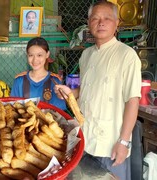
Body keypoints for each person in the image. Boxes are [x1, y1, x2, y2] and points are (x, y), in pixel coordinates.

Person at [55, 1, 141, 180]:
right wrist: (70, 93)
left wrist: (124, 142)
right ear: (89, 23)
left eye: (107, 18)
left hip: (110, 145)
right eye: (95, 18)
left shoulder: (127, 55)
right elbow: (88, 88)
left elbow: (133, 100)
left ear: (117, 23)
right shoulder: (86, 55)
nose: (101, 23)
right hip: (85, 139)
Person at [11, 37, 66, 110]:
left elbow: (59, 112)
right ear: (27, 55)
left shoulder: (55, 81)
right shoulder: (19, 80)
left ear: (47, 54)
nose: (35, 60)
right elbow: (13, 109)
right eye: (31, 55)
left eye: (39, 55)